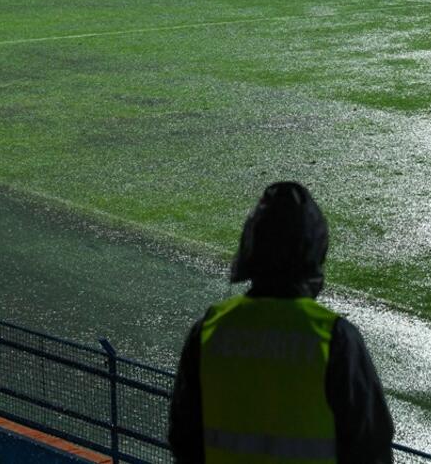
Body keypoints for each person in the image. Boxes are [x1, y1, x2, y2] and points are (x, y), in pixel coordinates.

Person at [169, 182, 394, 463]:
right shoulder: (334, 338)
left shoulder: (209, 330)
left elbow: (184, 438)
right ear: (316, 249)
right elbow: (371, 448)